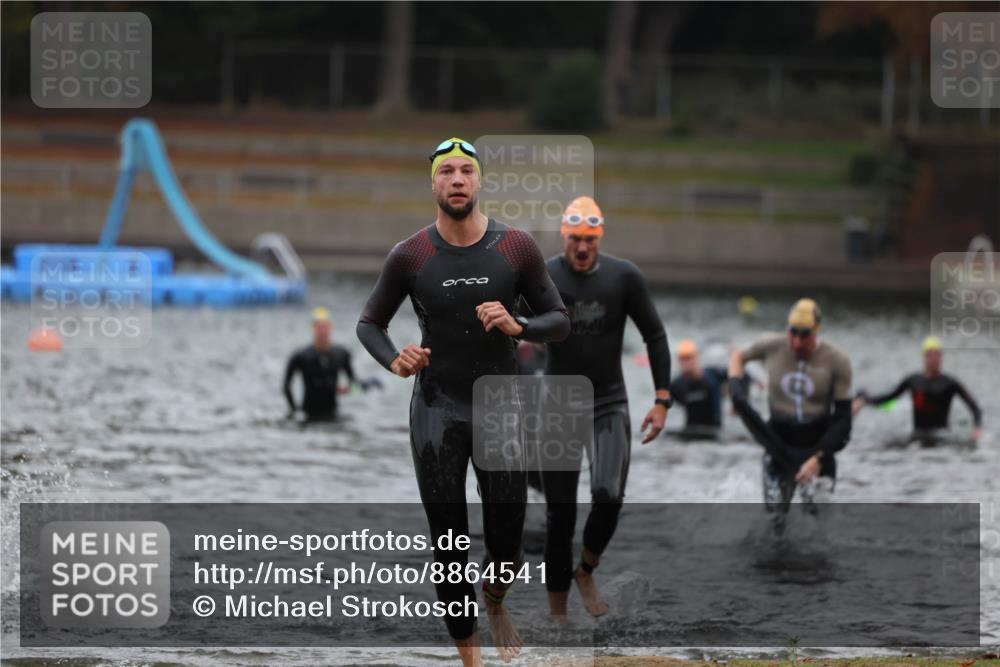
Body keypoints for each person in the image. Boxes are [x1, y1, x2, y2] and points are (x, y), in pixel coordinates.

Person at [356, 138, 569, 666]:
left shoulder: (515, 247)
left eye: (465, 171)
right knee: (448, 544)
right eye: (446, 171)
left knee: (506, 542)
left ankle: (495, 600)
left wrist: (518, 324)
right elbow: (369, 324)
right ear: (433, 183)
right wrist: (393, 360)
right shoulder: (410, 255)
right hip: (436, 407)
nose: (456, 179)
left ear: (478, 182)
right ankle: (470, 659)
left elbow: (560, 320)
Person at [538, 196, 672, 619]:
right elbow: (511, 330)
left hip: (608, 401)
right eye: (575, 239)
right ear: (565, 236)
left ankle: (586, 569)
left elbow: (654, 334)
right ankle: (557, 615)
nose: (582, 248)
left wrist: (662, 399)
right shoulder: (543, 275)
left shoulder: (624, 276)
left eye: (590, 240)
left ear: (600, 238)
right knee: (559, 515)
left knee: (609, 495)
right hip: (558, 404)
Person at [727, 299, 852, 530]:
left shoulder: (837, 361)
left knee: (816, 528)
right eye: (792, 333)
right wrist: (736, 389)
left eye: (805, 335)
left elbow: (843, 420)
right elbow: (737, 356)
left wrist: (819, 459)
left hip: (816, 446)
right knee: (774, 522)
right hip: (778, 442)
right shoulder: (771, 345)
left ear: (817, 331)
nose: (796, 342)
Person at [853, 336, 983, 446]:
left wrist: (977, 428)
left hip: (942, 437)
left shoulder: (950, 383)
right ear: (924, 356)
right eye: (930, 354)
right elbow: (889, 398)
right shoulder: (913, 381)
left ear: (941, 357)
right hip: (917, 436)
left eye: (937, 355)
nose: (934, 359)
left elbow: (975, 408)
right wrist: (864, 401)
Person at [283, 307, 355, 421]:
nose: (322, 331)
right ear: (313, 328)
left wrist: (348, 389)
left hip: (333, 413)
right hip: (308, 413)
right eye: (319, 327)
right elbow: (286, 386)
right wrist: (294, 410)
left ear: (331, 327)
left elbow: (354, 383)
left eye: (325, 327)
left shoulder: (341, 354)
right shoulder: (301, 356)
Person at [668, 339, 728, 441]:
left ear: (697, 358)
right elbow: (664, 404)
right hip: (691, 432)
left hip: (715, 432)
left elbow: (738, 375)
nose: (686, 362)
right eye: (683, 359)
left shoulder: (714, 374)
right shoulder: (677, 384)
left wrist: (733, 399)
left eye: (689, 358)